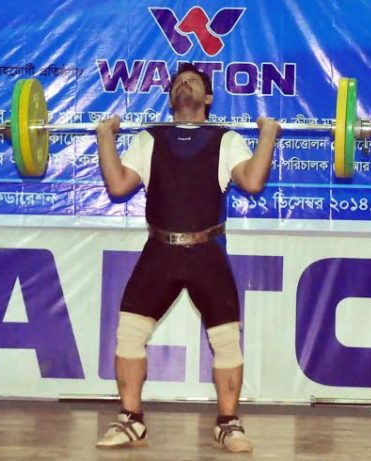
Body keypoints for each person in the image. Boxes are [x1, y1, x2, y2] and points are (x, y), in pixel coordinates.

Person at [93, 63, 281, 453]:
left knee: (226, 340)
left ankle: (228, 424)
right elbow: (117, 185)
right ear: (171, 97)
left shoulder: (225, 139)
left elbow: (252, 181)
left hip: (206, 252)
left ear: (208, 98)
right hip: (159, 251)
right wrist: (103, 137)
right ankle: (131, 420)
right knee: (129, 332)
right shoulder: (149, 139)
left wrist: (267, 136)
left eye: (194, 81)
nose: (185, 84)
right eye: (179, 81)